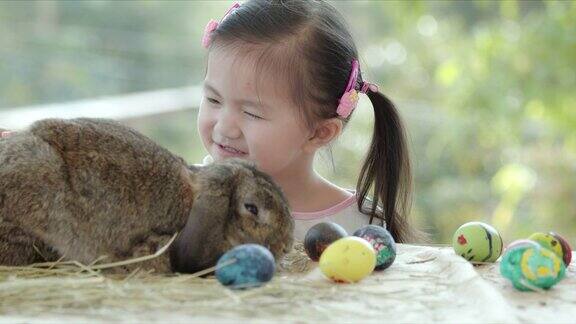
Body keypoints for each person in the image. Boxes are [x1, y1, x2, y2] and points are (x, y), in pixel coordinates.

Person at [198, 0, 420, 243]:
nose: (224, 127)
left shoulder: (359, 230)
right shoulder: (190, 195)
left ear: (320, 132)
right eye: (213, 99)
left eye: (253, 113)